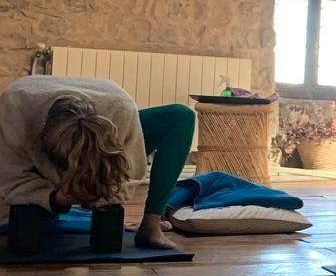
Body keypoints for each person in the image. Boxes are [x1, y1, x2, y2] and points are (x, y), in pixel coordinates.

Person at [0, 75, 196, 250]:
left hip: (111, 120)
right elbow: (9, 176)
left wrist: (104, 191)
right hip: (31, 130)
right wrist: (55, 199)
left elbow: (132, 168)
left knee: (182, 116)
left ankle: (152, 224)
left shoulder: (121, 109)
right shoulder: (15, 107)